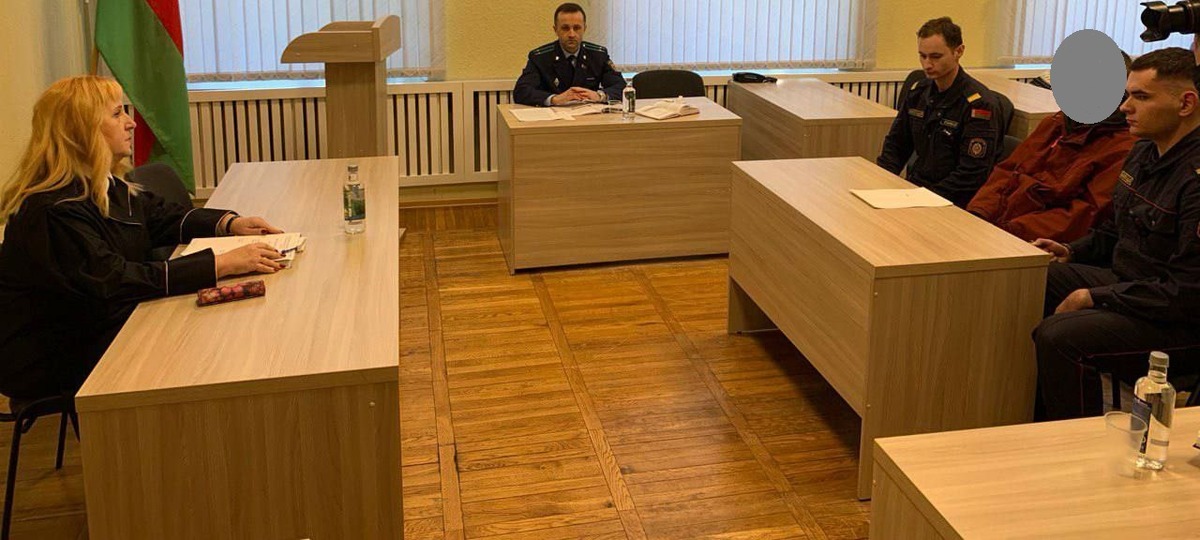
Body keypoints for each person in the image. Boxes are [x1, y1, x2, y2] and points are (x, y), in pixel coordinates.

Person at [0, 76, 286, 400]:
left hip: (102, 325)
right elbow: (114, 279)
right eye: (116, 114)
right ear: (82, 131)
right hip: (58, 354)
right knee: (210, 349)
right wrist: (220, 264)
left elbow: (163, 217)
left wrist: (230, 223)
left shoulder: (105, 185)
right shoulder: (54, 210)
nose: (131, 123)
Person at [1032, 48, 1200, 420]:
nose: (1125, 107)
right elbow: (1115, 231)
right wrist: (1071, 250)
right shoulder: (1143, 151)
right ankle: (1026, 412)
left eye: (1141, 97)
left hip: (1177, 321)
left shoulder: (1194, 179)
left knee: (1060, 338)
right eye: (1127, 95)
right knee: (1032, 278)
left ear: (1186, 104)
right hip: (1133, 287)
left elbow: (1186, 292)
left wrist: (1094, 296)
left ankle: (1080, 439)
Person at [967, 53, 1137, 243]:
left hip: (1034, 241)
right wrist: (978, 213)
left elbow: (1083, 214)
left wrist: (1006, 232)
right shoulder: (1057, 122)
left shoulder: (1123, 147)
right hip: (1001, 227)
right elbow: (1008, 171)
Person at [876, 17, 1002, 208]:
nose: (927, 64)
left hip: (954, 200)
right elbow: (896, 145)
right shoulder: (918, 93)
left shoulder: (979, 105)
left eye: (935, 57)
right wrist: (881, 184)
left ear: (958, 51)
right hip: (918, 190)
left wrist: (924, 199)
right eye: (922, 56)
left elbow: (971, 174)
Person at [512, 2, 626, 107]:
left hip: (589, 117)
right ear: (555, 30)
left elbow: (621, 87)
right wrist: (554, 99)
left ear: (584, 29)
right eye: (565, 28)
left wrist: (599, 96)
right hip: (552, 118)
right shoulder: (540, 58)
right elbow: (521, 91)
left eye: (577, 28)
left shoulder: (598, 55)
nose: (571, 34)